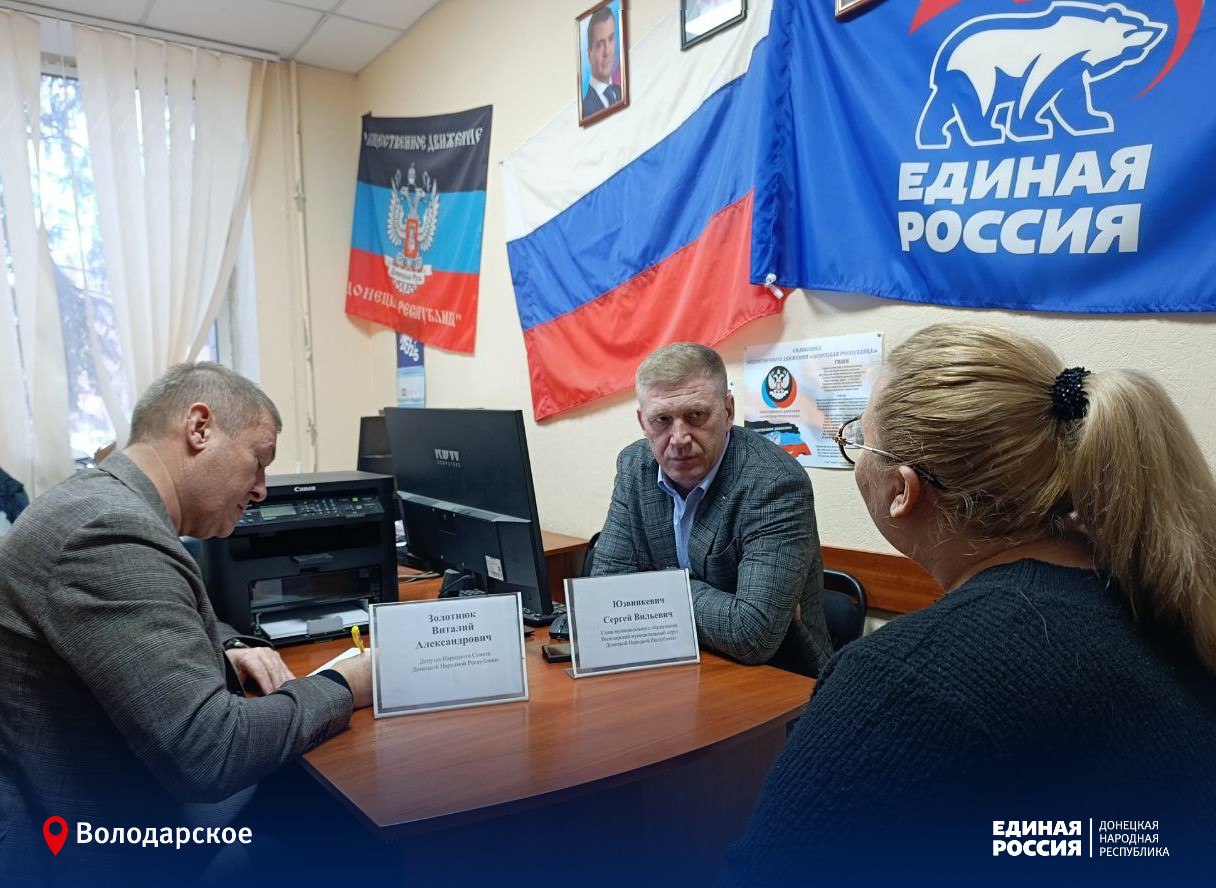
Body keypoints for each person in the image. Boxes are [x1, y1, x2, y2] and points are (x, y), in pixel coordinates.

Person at [720, 324, 1216, 882]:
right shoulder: (1163, 596)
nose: (853, 451)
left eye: (859, 436)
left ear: (902, 490)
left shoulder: (904, 682)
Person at [0, 363, 373, 885]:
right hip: (112, 848)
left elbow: (158, 612)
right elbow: (211, 754)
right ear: (199, 428)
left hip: (102, 801)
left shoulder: (100, 499)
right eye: (258, 461)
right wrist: (346, 684)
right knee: (360, 831)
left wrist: (231, 645)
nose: (262, 489)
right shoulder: (108, 532)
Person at [592, 342, 832, 677]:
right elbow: (603, 590)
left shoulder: (775, 483)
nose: (679, 438)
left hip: (779, 677)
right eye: (661, 420)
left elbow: (753, 634)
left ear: (729, 411)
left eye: (696, 415)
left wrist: (651, 590)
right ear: (642, 421)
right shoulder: (635, 466)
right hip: (673, 662)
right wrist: (709, 604)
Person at [581, 5, 622, 119]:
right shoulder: (586, 109)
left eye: (611, 39)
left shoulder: (620, 92)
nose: (607, 51)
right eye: (600, 45)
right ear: (590, 55)